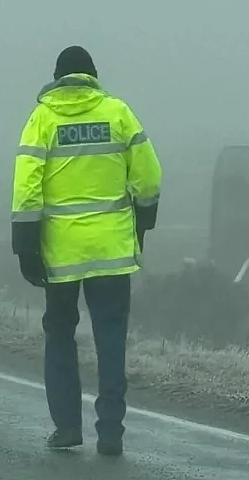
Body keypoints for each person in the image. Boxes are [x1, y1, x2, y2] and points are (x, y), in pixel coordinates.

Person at [11, 45, 163, 456]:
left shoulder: (41, 119)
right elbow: (149, 177)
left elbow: (27, 188)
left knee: (60, 334)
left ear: (57, 78)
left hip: (60, 255)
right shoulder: (117, 112)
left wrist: (25, 246)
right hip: (111, 252)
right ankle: (110, 433)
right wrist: (143, 223)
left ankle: (66, 428)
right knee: (110, 338)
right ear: (93, 76)